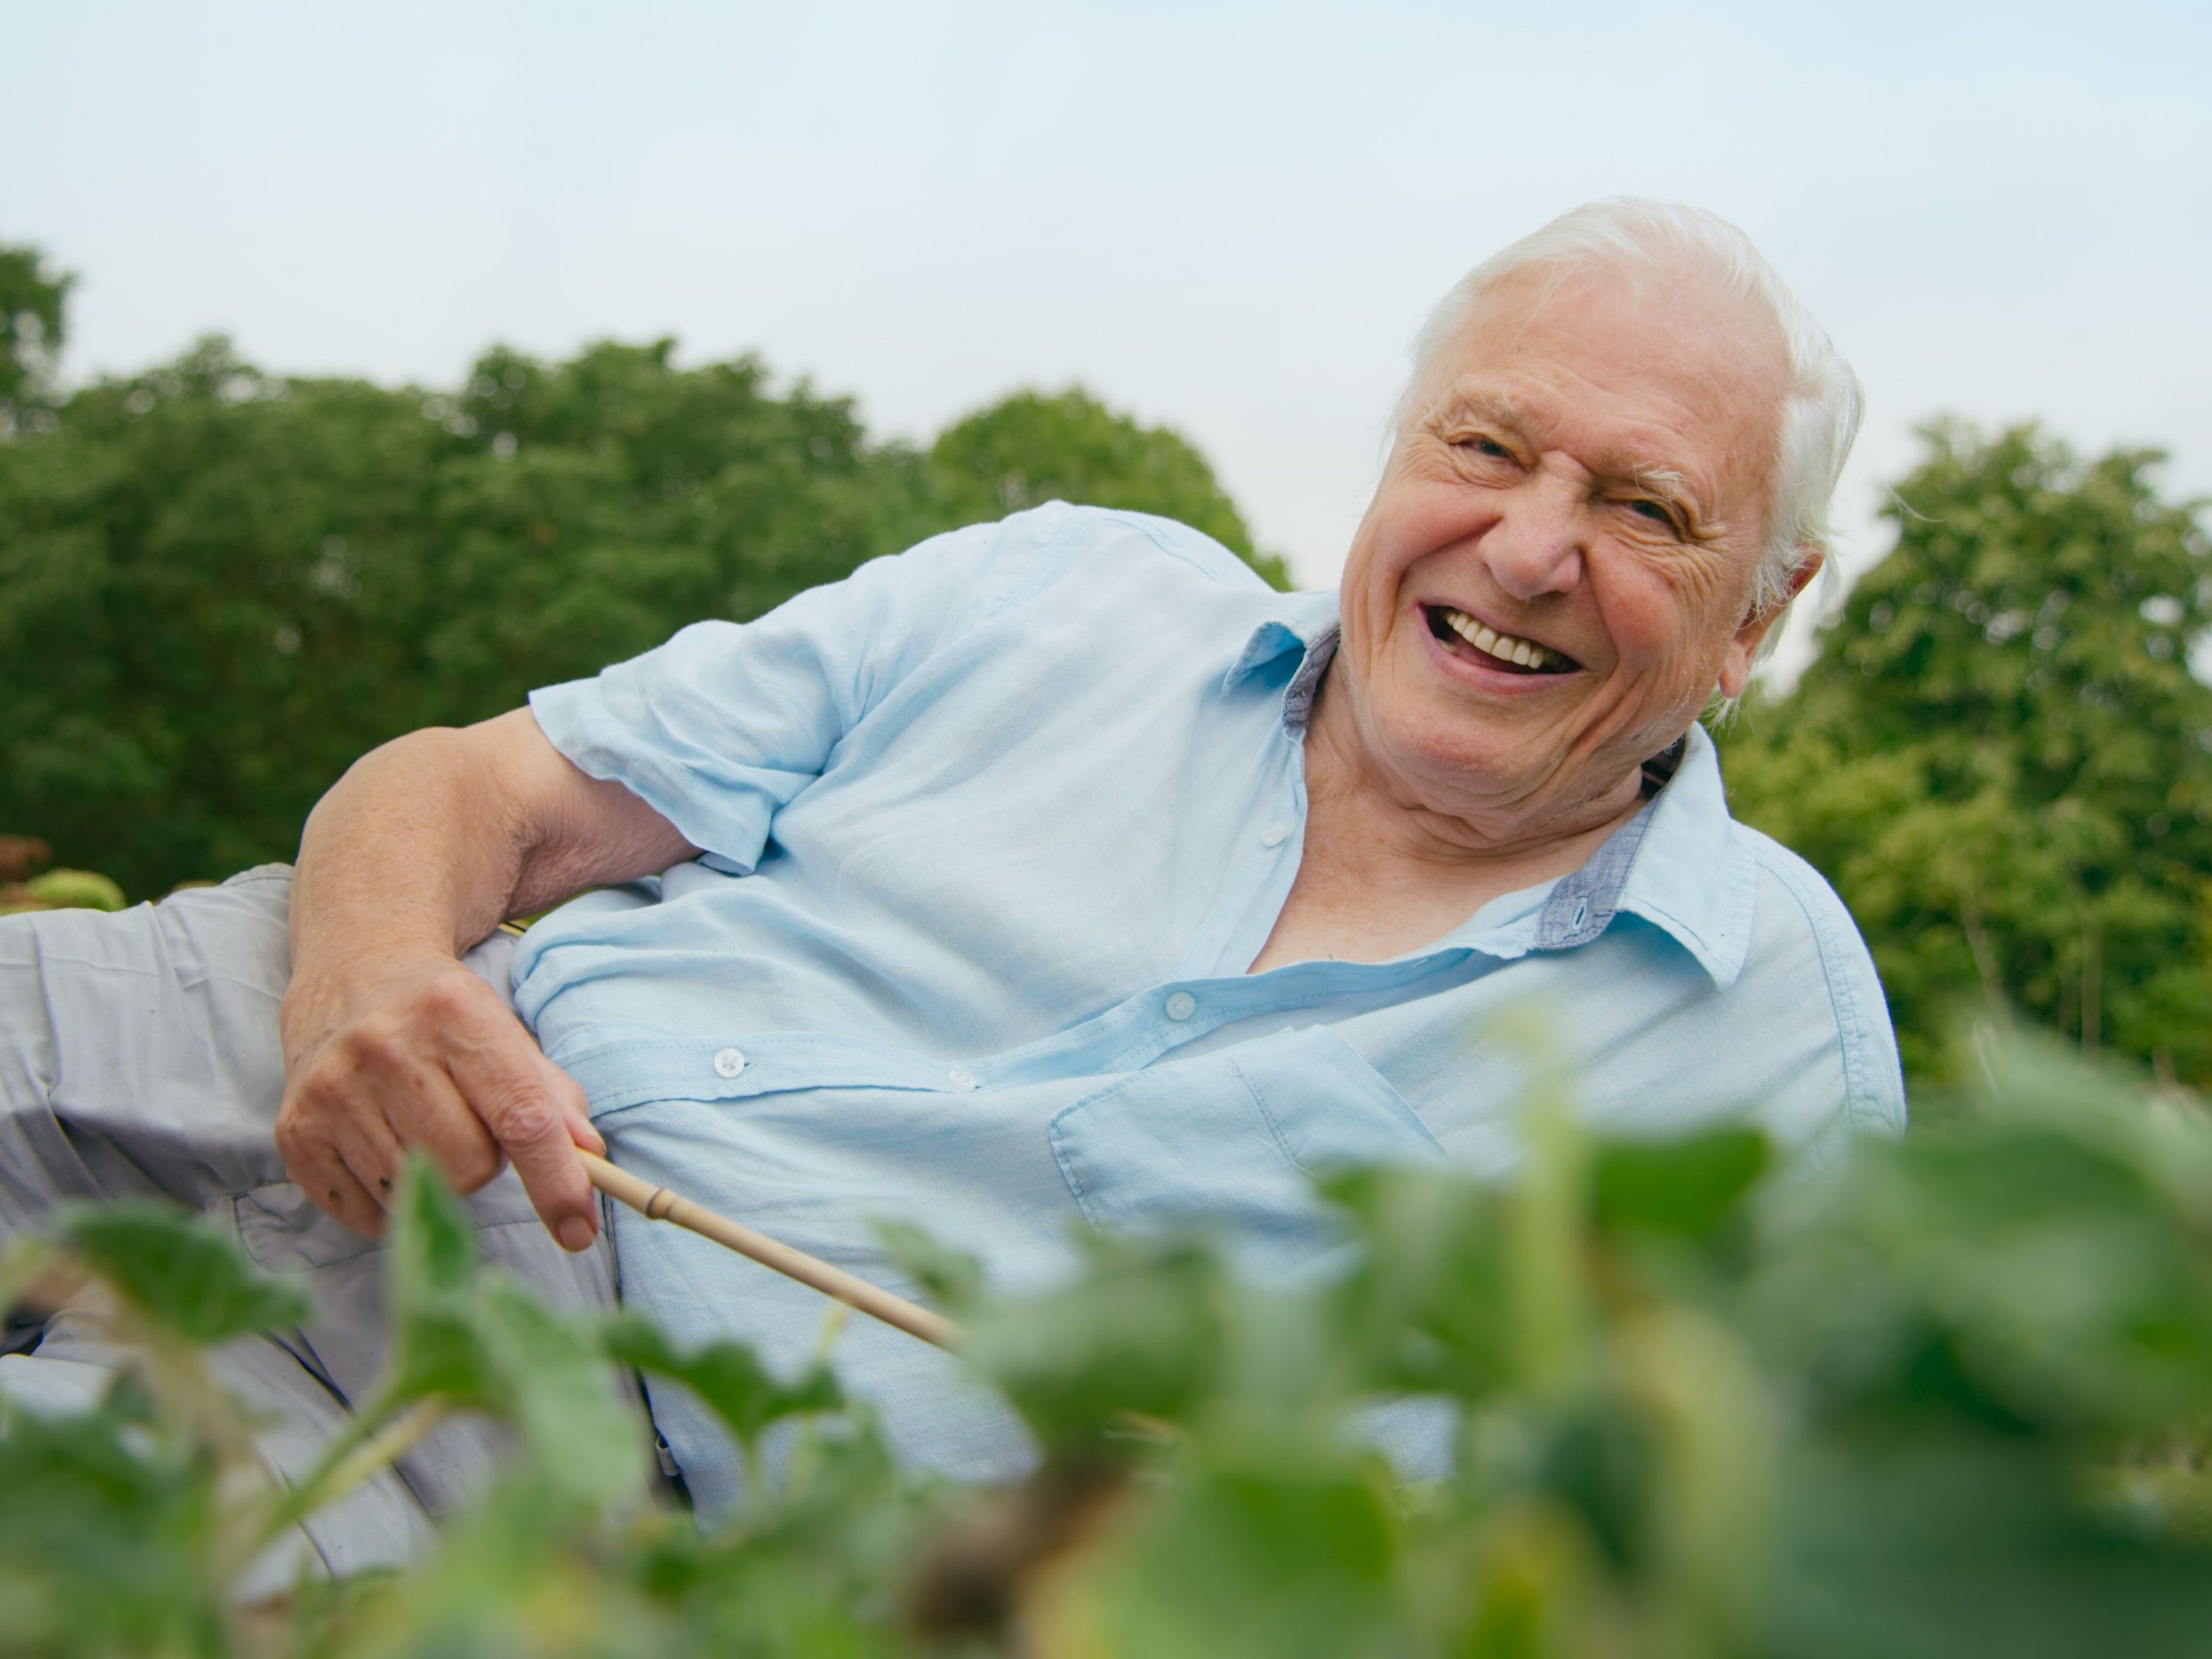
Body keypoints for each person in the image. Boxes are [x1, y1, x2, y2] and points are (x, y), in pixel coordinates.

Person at [0, 199, 1902, 1556]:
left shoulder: (1768, 1029)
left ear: (1762, 611)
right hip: (340, 1019)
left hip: (551, 1439)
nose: (1531, 547)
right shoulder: (1064, 584)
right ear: (1401, 452)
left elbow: (1759, 1553)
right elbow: (470, 788)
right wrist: (363, 972)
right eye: (1485, 446)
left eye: (1647, 508)